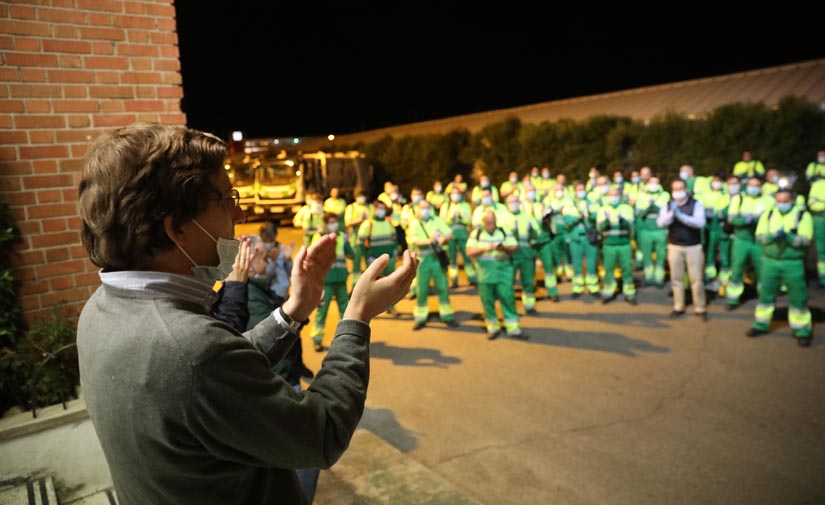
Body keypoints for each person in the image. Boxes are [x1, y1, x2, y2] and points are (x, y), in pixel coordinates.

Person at [75, 122, 418, 505]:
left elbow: (224, 369)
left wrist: (295, 308)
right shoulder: (189, 350)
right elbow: (321, 433)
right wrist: (356, 317)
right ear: (176, 228)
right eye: (226, 199)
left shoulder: (100, 309)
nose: (240, 212)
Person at [747, 189, 814, 346]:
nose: (781, 204)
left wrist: (788, 237)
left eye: (785, 201)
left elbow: (805, 240)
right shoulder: (768, 214)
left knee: (798, 297)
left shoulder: (803, 216)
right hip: (770, 262)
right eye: (779, 201)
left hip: (793, 263)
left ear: (792, 201)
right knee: (765, 295)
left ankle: (802, 330)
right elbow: (760, 237)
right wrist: (773, 236)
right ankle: (761, 325)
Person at [466, 210, 527, 340]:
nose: (490, 225)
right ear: (483, 222)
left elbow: (514, 247)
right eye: (487, 222)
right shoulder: (476, 234)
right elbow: (469, 251)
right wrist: (484, 249)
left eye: (492, 222)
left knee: (508, 298)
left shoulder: (504, 232)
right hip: (484, 275)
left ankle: (513, 328)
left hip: (503, 273)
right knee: (487, 301)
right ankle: (493, 327)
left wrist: (502, 248)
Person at [657, 179, 708, 321]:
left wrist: (681, 216)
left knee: (696, 279)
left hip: (693, 247)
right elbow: (660, 222)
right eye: (675, 189)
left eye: (680, 189)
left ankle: (700, 308)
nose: (677, 192)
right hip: (675, 246)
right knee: (676, 278)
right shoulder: (668, 204)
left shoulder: (696, 204)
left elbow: (700, 223)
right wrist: (671, 214)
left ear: (686, 189)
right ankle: (678, 306)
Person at [406, 200, 458, 329]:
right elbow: (413, 241)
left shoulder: (437, 220)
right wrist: (429, 240)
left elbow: (450, 234)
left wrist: (444, 238)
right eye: (423, 208)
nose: (426, 210)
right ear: (418, 209)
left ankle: (447, 316)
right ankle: (420, 318)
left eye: (428, 207)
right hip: (423, 261)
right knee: (422, 289)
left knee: (443, 287)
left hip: (437, 260)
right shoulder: (414, 223)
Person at [725, 177, 774, 309]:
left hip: (759, 241)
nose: (754, 188)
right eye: (751, 185)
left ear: (761, 186)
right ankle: (732, 299)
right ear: (747, 186)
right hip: (741, 240)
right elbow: (732, 218)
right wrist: (745, 221)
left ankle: (764, 298)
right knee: (737, 268)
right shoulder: (738, 199)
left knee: (762, 270)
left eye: (757, 185)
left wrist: (759, 221)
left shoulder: (769, 200)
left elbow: (773, 220)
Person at [309, 213, 353, 352]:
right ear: (325, 223)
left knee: (345, 310)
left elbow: (351, 254)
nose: (334, 224)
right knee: (322, 310)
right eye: (331, 222)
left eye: (335, 222)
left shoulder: (341, 236)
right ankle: (317, 339)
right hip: (325, 280)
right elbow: (313, 256)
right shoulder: (319, 236)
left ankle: (346, 339)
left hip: (340, 278)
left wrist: (346, 242)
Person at [357, 199, 400, 314]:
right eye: (379, 208)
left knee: (390, 285)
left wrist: (395, 251)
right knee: (374, 286)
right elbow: (360, 242)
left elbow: (394, 239)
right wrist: (367, 256)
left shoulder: (389, 223)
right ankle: (371, 309)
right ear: (374, 209)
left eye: (383, 208)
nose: (381, 211)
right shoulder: (368, 224)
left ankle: (390, 307)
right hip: (374, 261)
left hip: (389, 259)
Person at [596, 186, 637, 304]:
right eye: (611, 195)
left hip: (624, 244)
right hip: (609, 244)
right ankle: (608, 292)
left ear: (620, 196)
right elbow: (600, 228)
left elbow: (630, 226)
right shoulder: (602, 209)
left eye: (615, 195)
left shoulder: (627, 208)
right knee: (609, 269)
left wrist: (622, 220)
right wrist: (607, 222)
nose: (613, 197)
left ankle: (629, 293)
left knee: (627, 269)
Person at [561, 180, 601, 298]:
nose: (581, 192)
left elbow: (597, 217)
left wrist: (590, 214)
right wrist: (577, 218)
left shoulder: (592, 203)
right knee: (577, 263)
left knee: (592, 262)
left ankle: (593, 287)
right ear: (574, 191)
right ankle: (577, 287)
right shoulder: (569, 205)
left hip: (589, 238)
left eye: (583, 189)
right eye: (578, 190)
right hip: (576, 238)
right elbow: (566, 222)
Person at [504, 194, 541, 314]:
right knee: (508, 282)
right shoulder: (502, 218)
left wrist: (532, 232)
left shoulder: (528, 217)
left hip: (526, 255)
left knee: (528, 282)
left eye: (515, 201)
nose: (513, 204)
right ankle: (510, 306)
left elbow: (537, 234)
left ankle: (529, 306)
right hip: (510, 256)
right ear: (506, 204)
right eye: (510, 202)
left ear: (519, 203)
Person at [635, 176, 671, 287]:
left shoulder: (665, 195)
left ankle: (659, 278)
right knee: (647, 255)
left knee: (661, 254)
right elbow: (638, 214)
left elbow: (667, 212)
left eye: (656, 182)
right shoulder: (641, 195)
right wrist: (647, 209)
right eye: (652, 182)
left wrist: (655, 208)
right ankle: (649, 277)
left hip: (660, 230)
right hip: (646, 231)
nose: (654, 184)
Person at [698, 173, 732, 288]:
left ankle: (725, 279)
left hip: (723, 229)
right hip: (710, 227)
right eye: (714, 180)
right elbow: (699, 206)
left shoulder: (727, 195)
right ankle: (709, 275)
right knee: (710, 252)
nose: (716, 183)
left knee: (725, 254)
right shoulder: (705, 194)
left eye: (719, 180)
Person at [440, 185, 476, 287]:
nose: (455, 195)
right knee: (452, 259)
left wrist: (461, 218)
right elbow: (441, 222)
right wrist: (450, 219)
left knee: (467, 257)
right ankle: (454, 280)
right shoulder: (445, 206)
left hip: (463, 234)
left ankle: (472, 278)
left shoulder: (465, 205)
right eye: (453, 193)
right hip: (450, 235)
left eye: (457, 193)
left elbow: (469, 220)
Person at [344, 190, 372, 286]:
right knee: (356, 263)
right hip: (355, 239)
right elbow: (347, 223)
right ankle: (355, 286)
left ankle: (369, 285)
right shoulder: (351, 208)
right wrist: (359, 221)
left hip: (368, 239)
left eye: (363, 196)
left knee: (370, 263)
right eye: (359, 196)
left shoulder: (370, 207)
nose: (361, 198)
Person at [807, 176, 825, 287]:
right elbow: (812, 204)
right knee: (821, 249)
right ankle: (823, 278)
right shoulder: (817, 184)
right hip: (820, 219)